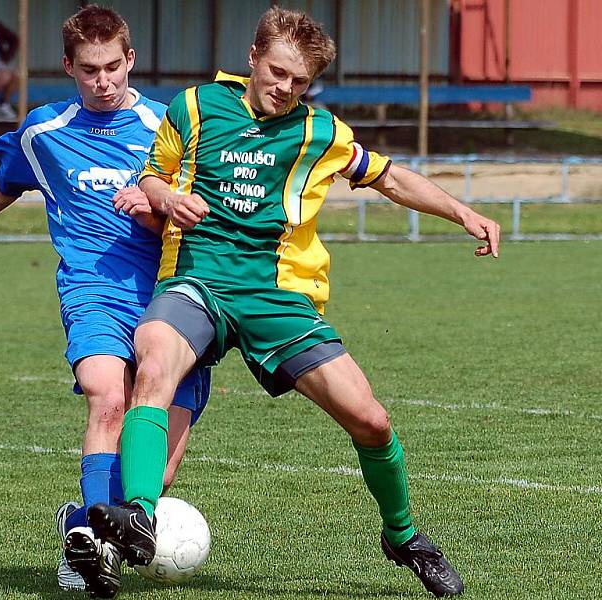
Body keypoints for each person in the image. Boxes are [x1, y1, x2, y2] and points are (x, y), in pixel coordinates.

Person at [91, 6, 502, 598]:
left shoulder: (321, 133)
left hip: (276, 296)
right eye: (277, 71)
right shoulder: (196, 106)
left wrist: (464, 211)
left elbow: (390, 178)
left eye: (300, 81)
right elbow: (154, 174)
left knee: (372, 420)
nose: (285, 88)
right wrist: (166, 199)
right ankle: (137, 512)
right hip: (198, 280)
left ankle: (404, 536)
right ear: (254, 58)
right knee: (152, 358)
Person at [0, 5, 210, 599]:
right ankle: (89, 548)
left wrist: (157, 205)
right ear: (69, 67)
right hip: (95, 290)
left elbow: (205, 215)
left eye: (113, 67)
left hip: (173, 295)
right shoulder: (44, 133)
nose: (103, 81)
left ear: (131, 60)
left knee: (151, 478)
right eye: (89, 70)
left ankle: (79, 525)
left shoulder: (171, 127)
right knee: (107, 395)